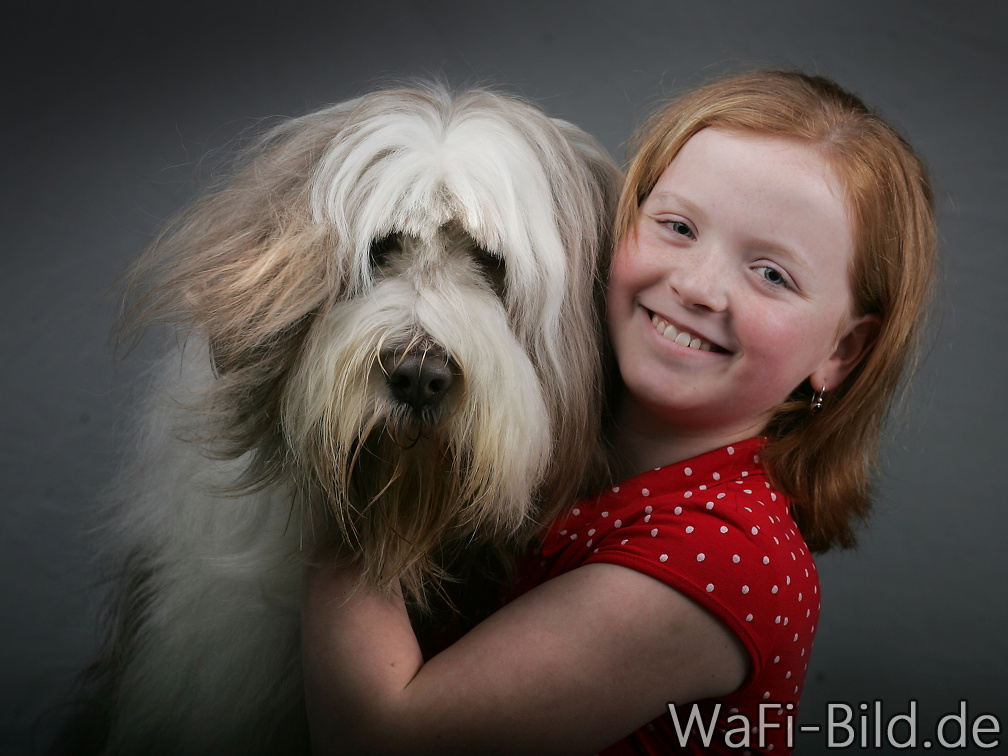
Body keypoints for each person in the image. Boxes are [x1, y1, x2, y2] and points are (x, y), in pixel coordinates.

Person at [300, 70, 937, 755]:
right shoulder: (573, 451)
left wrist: (338, 452)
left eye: (771, 273)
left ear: (841, 350)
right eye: (678, 226)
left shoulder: (720, 553)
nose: (696, 286)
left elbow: (381, 736)